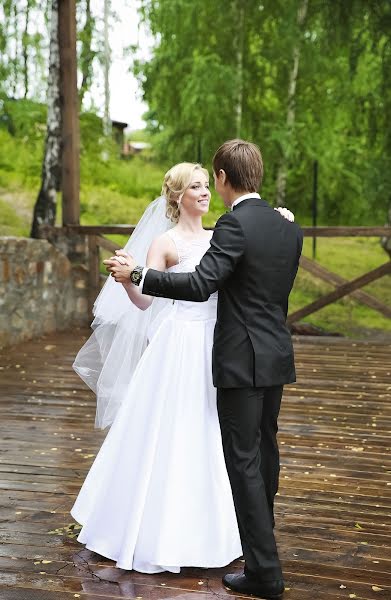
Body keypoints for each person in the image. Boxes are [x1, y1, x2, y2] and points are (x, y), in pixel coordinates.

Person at [108, 140, 303, 600]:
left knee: (243, 461)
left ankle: (264, 572)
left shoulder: (235, 224)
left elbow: (200, 284)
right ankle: (261, 547)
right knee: (265, 454)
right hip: (275, 356)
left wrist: (139, 276)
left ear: (222, 177)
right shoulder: (288, 227)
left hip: (238, 358)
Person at [70, 162, 243, 573]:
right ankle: (152, 530)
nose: (205, 193)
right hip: (179, 343)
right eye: (195, 187)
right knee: (173, 428)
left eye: (206, 185)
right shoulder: (164, 244)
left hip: (216, 342)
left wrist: (279, 217)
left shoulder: (222, 236)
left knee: (214, 428)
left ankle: (216, 530)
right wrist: (129, 279)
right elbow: (146, 302)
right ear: (177, 197)